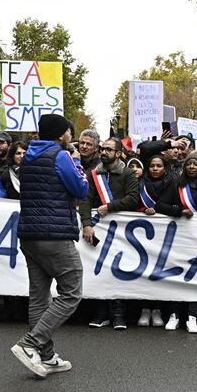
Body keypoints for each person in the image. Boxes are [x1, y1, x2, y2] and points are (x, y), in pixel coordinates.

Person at [11, 114, 88, 378]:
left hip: (29, 234)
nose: (71, 136)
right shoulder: (62, 155)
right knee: (72, 291)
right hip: (54, 234)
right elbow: (80, 189)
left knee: (39, 296)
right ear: (60, 133)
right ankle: (29, 344)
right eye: (68, 131)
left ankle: (46, 356)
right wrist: (77, 162)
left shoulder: (29, 155)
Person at [154, 151, 197, 333]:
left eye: (196, 164)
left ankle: (192, 316)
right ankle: (174, 315)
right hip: (177, 238)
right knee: (176, 276)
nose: (191, 167)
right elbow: (160, 205)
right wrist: (178, 211)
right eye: (189, 164)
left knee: (195, 277)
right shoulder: (176, 185)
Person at [79, 137, 139, 330]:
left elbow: (132, 199)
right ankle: (101, 313)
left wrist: (111, 206)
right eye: (102, 149)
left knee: (119, 270)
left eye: (108, 150)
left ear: (119, 153)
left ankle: (119, 314)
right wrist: (87, 224)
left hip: (121, 231)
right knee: (100, 270)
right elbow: (86, 201)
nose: (103, 152)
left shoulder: (128, 174)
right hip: (100, 228)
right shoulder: (93, 174)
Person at [133, 154, 172, 328]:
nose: (155, 169)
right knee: (143, 269)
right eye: (152, 166)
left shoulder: (171, 183)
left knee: (160, 271)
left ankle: (157, 309)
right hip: (144, 232)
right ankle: (144, 309)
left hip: (165, 232)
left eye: (159, 166)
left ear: (165, 168)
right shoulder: (140, 184)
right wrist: (143, 210)